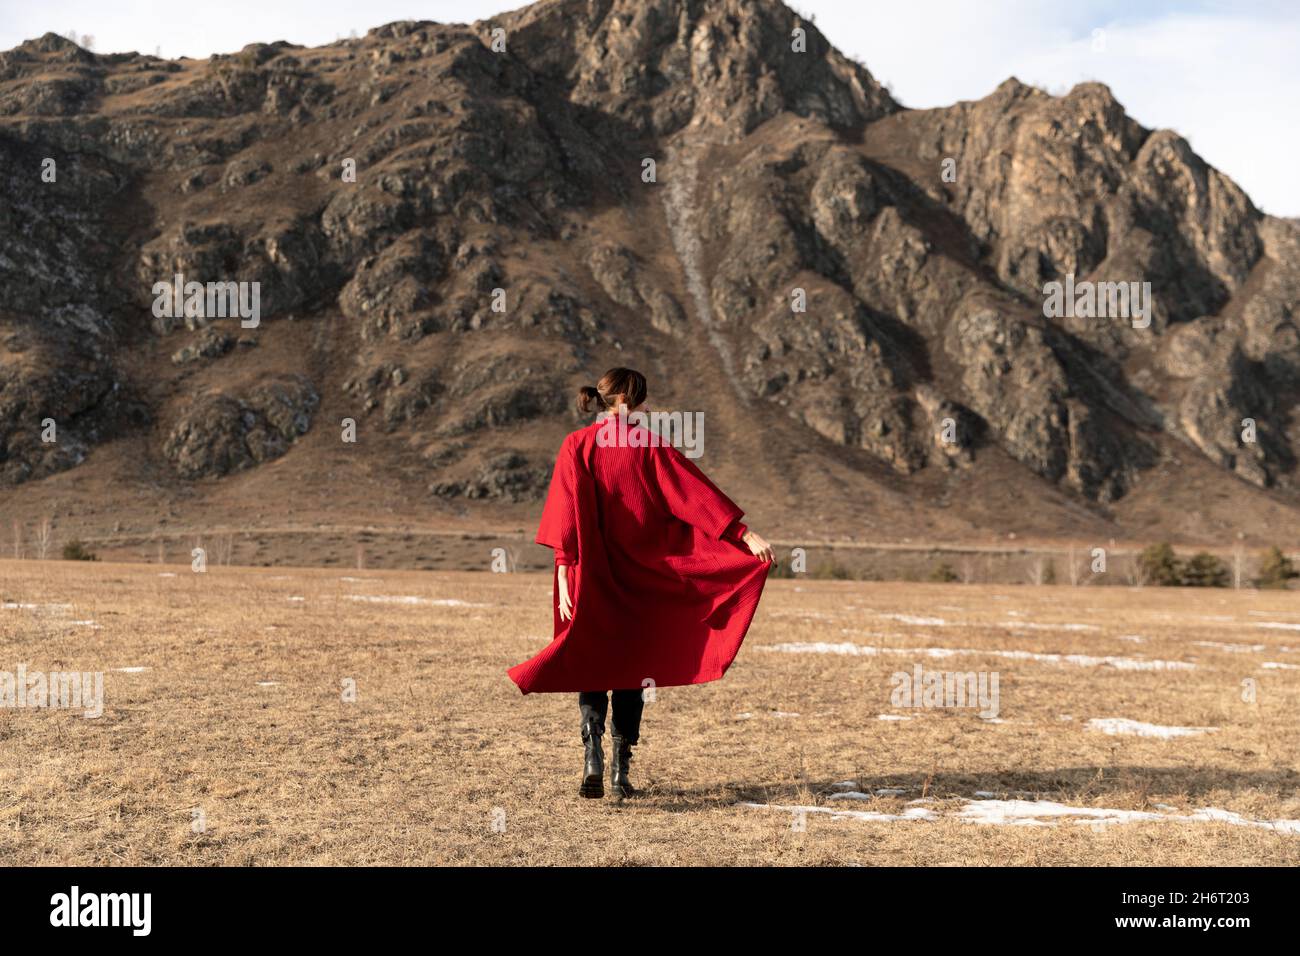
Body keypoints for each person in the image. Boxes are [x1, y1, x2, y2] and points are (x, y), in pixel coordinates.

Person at [508, 367, 774, 800]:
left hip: (586, 574)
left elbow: (565, 513)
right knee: (632, 667)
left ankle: (591, 754)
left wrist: (562, 570)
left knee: (592, 658)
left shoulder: (576, 445)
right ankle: (619, 770)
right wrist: (742, 534)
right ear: (630, 402)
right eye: (645, 400)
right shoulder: (649, 447)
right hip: (639, 578)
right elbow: (694, 499)